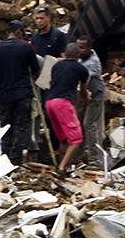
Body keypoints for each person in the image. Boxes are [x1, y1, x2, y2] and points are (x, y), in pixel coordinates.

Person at [0, 21, 41, 165]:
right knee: (20, 127)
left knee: (6, 128)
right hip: (22, 94)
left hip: (4, 95)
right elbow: (36, 71)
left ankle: (5, 160)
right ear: (19, 32)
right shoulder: (26, 48)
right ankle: (15, 160)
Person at [45, 43, 90, 173]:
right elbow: (83, 90)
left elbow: (50, 83)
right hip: (63, 103)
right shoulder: (81, 69)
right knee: (76, 139)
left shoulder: (57, 66)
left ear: (65, 54)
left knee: (64, 139)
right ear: (78, 55)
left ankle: (60, 164)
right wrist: (86, 99)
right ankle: (61, 167)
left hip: (50, 102)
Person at [75, 36, 106, 162]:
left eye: (82, 48)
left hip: (95, 96)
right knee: (79, 124)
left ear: (89, 48)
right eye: (78, 48)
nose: (79, 50)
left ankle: (95, 158)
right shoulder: (82, 57)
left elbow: (84, 82)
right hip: (85, 96)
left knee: (89, 125)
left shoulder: (92, 62)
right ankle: (78, 155)